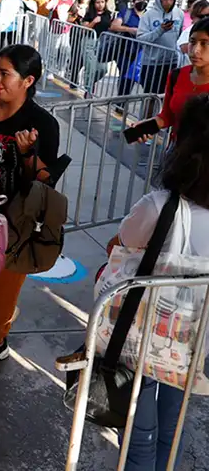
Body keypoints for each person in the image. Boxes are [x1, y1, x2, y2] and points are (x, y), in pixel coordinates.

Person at [104, 93, 209, 470]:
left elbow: (123, 241)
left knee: (138, 438)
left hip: (147, 335)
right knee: (171, 429)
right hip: (196, 341)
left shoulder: (160, 206)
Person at [0, 46, 60, 368]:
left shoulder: (42, 124)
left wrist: (27, 154)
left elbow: (45, 181)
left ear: (28, 80)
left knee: (4, 287)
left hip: (15, 222)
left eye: (5, 74)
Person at [132, 17, 209, 145]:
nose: (196, 50)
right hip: (177, 151)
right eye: (192, 41)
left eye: (204, 43)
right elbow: (167, 116)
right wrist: (146, 127)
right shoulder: (177, 75)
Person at [134, 0, 183, 108]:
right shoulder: (148, 15)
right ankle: (147, 118)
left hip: (171, 61)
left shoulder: (179, 14)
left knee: (166, 96)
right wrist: (159, 30)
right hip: (152, 62)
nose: (168, 2)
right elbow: (140, 38)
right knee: (150, 96)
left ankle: (162, 118)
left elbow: (179, 35)